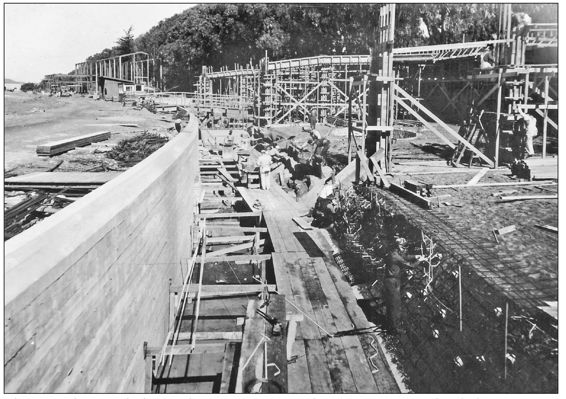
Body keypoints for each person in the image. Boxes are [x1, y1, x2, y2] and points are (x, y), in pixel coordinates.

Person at [383, 235, 425, 333]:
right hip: (392, 281)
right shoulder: (395, 256)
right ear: (398, 246)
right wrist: (420, 260)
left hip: (392, 280)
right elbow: (409, 265)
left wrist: (415, 256)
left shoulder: (394, 252)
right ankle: (394, 328)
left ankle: (389, 323)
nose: (404, 249)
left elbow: (404, 257)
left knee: (392, 304)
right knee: (395, 305)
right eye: (403, 247)